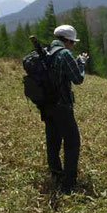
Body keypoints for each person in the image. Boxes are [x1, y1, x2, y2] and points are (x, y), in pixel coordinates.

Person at [41, 25, 89, 193]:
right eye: (72, 42)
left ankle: (55, 172)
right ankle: (69, 183)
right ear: (67, 40)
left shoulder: (46, 50)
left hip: (46, 104)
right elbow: (77, 79)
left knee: (52, 139)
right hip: (62, 104)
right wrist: (81, 64)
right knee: (72, 142)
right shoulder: (65, 53)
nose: (72, 45)